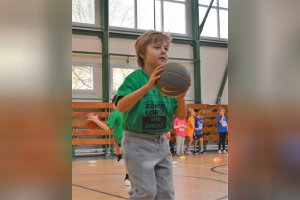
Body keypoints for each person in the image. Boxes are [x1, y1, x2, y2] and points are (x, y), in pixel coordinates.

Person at [116, 30, 187, 200]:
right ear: (142, 53)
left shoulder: (171, 82)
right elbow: (121, 106)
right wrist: (147, 86)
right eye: (157, 47)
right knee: (146, 193)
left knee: (166, 194)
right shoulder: (135, 78)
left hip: (161, 142)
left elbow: (182, 116)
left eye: (166, 48)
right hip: (137, 143)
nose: (163, 51)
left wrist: (181, 97)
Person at [87, 95, 131, 186]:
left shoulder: (115, 113)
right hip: (131, 138)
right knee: (128, 156)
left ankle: (127, 176)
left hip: (124, 139)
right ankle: (120, 157)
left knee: (127, 158)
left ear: (114, 104)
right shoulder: (129, 111)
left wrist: (96, 120)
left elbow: (107, 129)